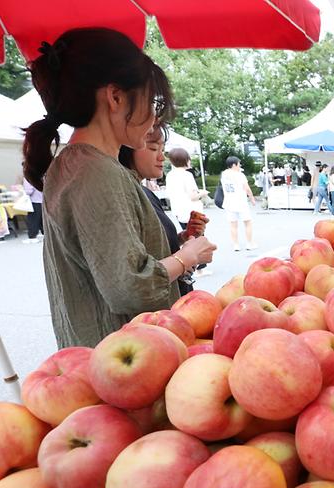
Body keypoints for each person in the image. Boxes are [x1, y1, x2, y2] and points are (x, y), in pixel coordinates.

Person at [23, 28, 216, 348]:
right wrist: (186, 256)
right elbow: (128, 286)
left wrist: (177, 246)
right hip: (128, 358)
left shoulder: (76, 164)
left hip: (105, 357)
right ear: (115, 97)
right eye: (151, 100)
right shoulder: (96, 173)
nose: (154, 114)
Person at [119, 125, 208, 295]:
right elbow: (137, 275)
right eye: (153, 148)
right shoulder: (125, 197)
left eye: (163, 149)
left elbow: (155, 245)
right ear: (127, 149)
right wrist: (190, 255)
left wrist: (184, 235)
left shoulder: (145, 193)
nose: (162, 157)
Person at [221, 156, 257, 251]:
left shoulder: (224, 174)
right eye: (239, 163)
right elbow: (247, 188)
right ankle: (249, 244)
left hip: (229, 202)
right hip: (241, 203)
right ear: (234, 165)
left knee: (233, 225)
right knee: (248, 223)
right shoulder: (240, 175)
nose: (240, 165)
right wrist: (252, 198)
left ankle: (236, 245)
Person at [166, 148, 206, 229]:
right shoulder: (187, 175)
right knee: (197, 237)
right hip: (192, 213)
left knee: (188, 235)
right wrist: (203, 193)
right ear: (186, 160)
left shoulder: (170, 175)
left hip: (179, 212)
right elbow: (193, 197)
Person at [22, 177, 44, 243]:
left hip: (34, 200)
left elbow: (29, 190)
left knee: (33, 219)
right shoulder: (41, 174)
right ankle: (45, 234)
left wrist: (21, 190)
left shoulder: (28, 176)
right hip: (43, 200)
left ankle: (32, 236)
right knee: (42, 219)